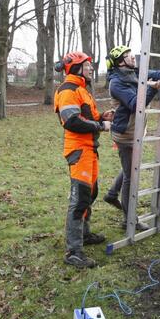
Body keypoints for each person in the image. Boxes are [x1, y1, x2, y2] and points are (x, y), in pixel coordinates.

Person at [104, 46, 160, 230]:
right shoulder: (116, 83)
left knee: (130, 166)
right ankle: (129, 220)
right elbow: (136, 104)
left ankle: (112, 194)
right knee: (131, 175)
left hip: (136, 131)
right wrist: (152, 88)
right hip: (125, 134)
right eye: (128, 56)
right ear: (120, 62)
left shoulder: (135, 72)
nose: (133, 58)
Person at [53, 51, 113, 268]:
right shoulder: (68, 90)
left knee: (91, 193)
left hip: (90, 149)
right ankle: (73, 251)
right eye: (87, 65)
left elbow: (88, 117)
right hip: (78, 150)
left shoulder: (81, 90)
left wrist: (102, 117)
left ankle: (84, 235)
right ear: (76, 68)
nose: (90, 68)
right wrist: (100, 126)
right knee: (79, 200)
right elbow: (72, 122)